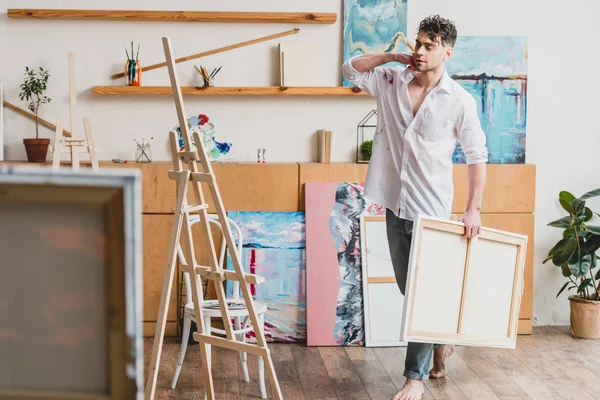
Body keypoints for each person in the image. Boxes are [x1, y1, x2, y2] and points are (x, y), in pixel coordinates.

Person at [342, 15, 488, 400]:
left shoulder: (459, 101)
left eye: (429, 45)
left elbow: (477, 156)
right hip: (394, 204)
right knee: (411, 291)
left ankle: (414, 379)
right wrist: (392, 56)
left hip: (433, 210)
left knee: (423, 295)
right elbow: (349, 70)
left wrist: (473, 209)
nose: (420, 51)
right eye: (418, 43)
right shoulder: (390, 83)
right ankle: (441, 347)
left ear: (447, 51)